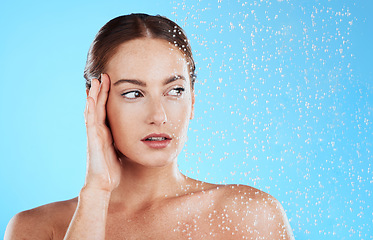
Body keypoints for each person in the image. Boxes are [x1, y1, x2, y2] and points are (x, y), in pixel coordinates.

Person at [5, 13, 294, 239]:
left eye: (175, 91)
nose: (159, 115)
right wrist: (96, 192)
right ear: (96, 102)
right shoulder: (38, 229)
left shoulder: (249, 214)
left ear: (193, 100)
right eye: (134, 93)